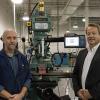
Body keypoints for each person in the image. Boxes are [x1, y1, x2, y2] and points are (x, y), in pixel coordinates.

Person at [0, 30, 32, 100]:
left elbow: (28, 77)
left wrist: (21, 95)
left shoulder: (22, 57)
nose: (12, 41)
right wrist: (9, 97)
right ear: (3, 40)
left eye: (14, 38)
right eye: (9, 38)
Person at [72, 23, 100, 100]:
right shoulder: (82, 53)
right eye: (88, 34)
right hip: (82, 96)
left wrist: (91, 93)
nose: (91, 36)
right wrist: (77, 91)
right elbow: (75, 74)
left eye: (94, 33)